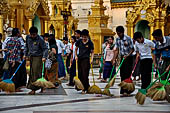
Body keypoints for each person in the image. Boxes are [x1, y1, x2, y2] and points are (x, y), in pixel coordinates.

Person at [24, 26, 48, 95]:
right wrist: (25, 54)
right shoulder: (28, 37)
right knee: (32, 72)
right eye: (31, 34)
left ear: (36, 33)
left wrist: (44, 57)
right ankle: (42, 86)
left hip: (38, 57)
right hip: (31, 57)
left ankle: (33, 89)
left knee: (35, 73)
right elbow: (26, 46)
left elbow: (45, 49)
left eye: (34, 35)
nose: (32, 36)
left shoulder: (40, 39)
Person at [112, 26, 134, 96]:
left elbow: (132, 49)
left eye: (120, 33)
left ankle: (128, 90)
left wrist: (127, 55)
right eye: (117, 33)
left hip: (129, 58)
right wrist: (114, 59)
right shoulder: (118, 39)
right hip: (122, 57)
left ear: (123, 32)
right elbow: (117, 50)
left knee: (127, 74)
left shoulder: (128, 38)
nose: (119, 35)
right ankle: (123, 89)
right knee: (122, 74)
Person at [75, 29, 94, 94]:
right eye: (83, 37)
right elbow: (76, 49)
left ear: (87, 36)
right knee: (80, 74)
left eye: (85, 37)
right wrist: (75, 56)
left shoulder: (90, 43)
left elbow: (92, 52)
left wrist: (91, 59)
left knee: (85, 74)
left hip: (86, 59)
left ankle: (85, 88)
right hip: (80, 58)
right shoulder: (79, 41)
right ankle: (81, 87)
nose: (84, 38)